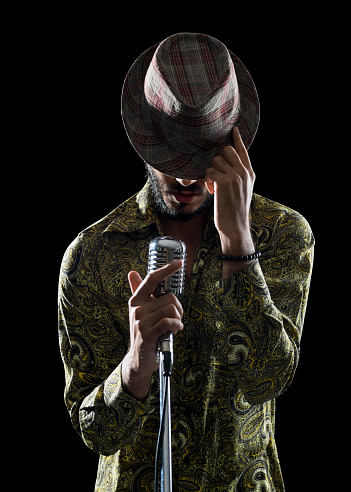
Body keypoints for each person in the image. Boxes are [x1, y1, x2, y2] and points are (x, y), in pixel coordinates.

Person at [58, 33, 314, 491]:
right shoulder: (93, 255)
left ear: (236, 142)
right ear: (145, 140)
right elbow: (95, 432)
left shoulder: (282, 235)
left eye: (202, 155)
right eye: (171, 155)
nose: (184, 176)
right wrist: (135, 364)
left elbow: (267, 379)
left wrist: (238, 241)